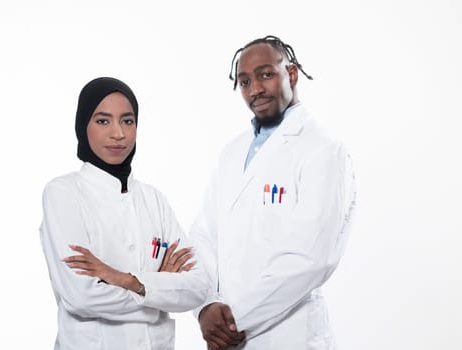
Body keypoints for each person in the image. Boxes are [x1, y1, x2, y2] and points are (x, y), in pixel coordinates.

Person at [190, 35, 357, 349]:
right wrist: (205, 306)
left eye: (265, 75)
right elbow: (202, 235)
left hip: (289, 335)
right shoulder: (231, 152)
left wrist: (233, 320)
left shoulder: (322, 149)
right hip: (226, 334)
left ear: (291, 74)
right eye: (244, 81)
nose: (255, 89)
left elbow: (312, 258)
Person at [39, 77, 209, 350]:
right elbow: (81, 297)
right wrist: (156, 294)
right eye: (103, 121)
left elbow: (197, 287)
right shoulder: (63, 193)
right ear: (83, 126)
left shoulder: (154, 199)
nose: (118, 133)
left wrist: (125, 280)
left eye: (128, 121)